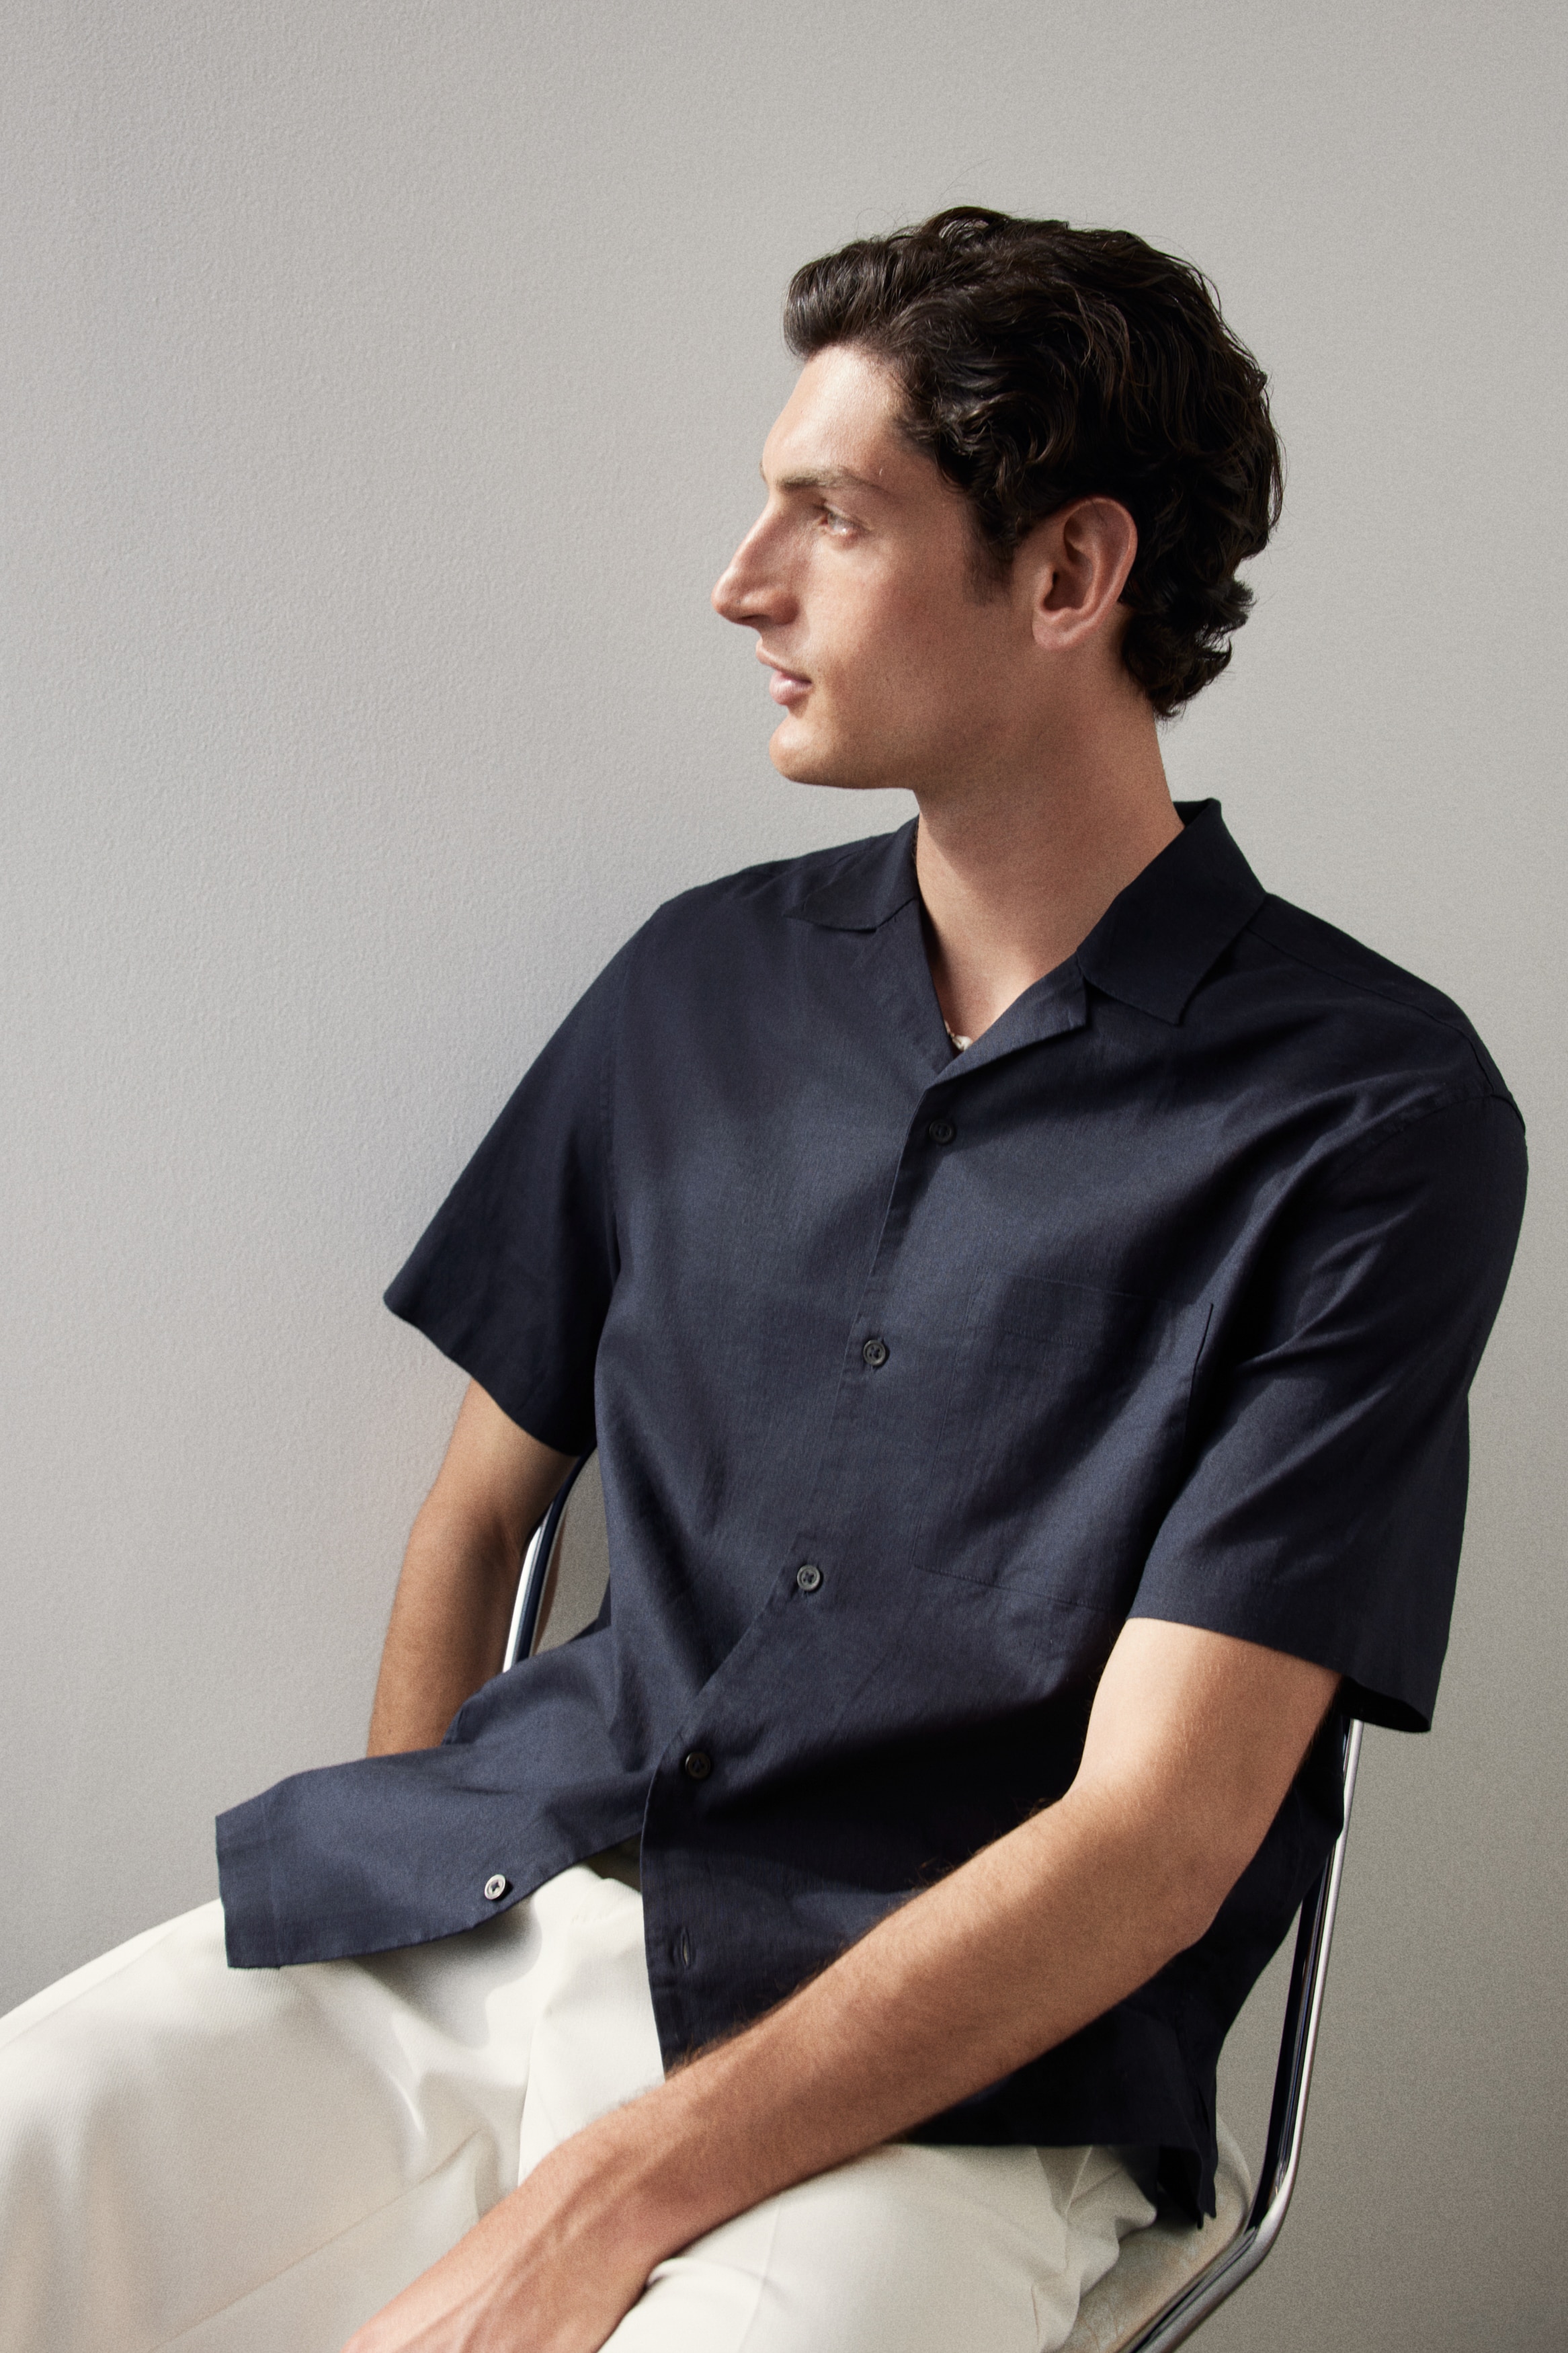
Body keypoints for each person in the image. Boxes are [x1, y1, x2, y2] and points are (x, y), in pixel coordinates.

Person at [0, 210, 1526, 2353]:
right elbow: (479, 1509)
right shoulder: (694, 983)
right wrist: (395, 1919)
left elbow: (1157, 1840)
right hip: (500, 1908)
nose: (744, 580)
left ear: (1071, 576)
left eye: (837, 516)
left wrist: (597, 2199)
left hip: (955, 2083)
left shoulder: (1370, 1118)